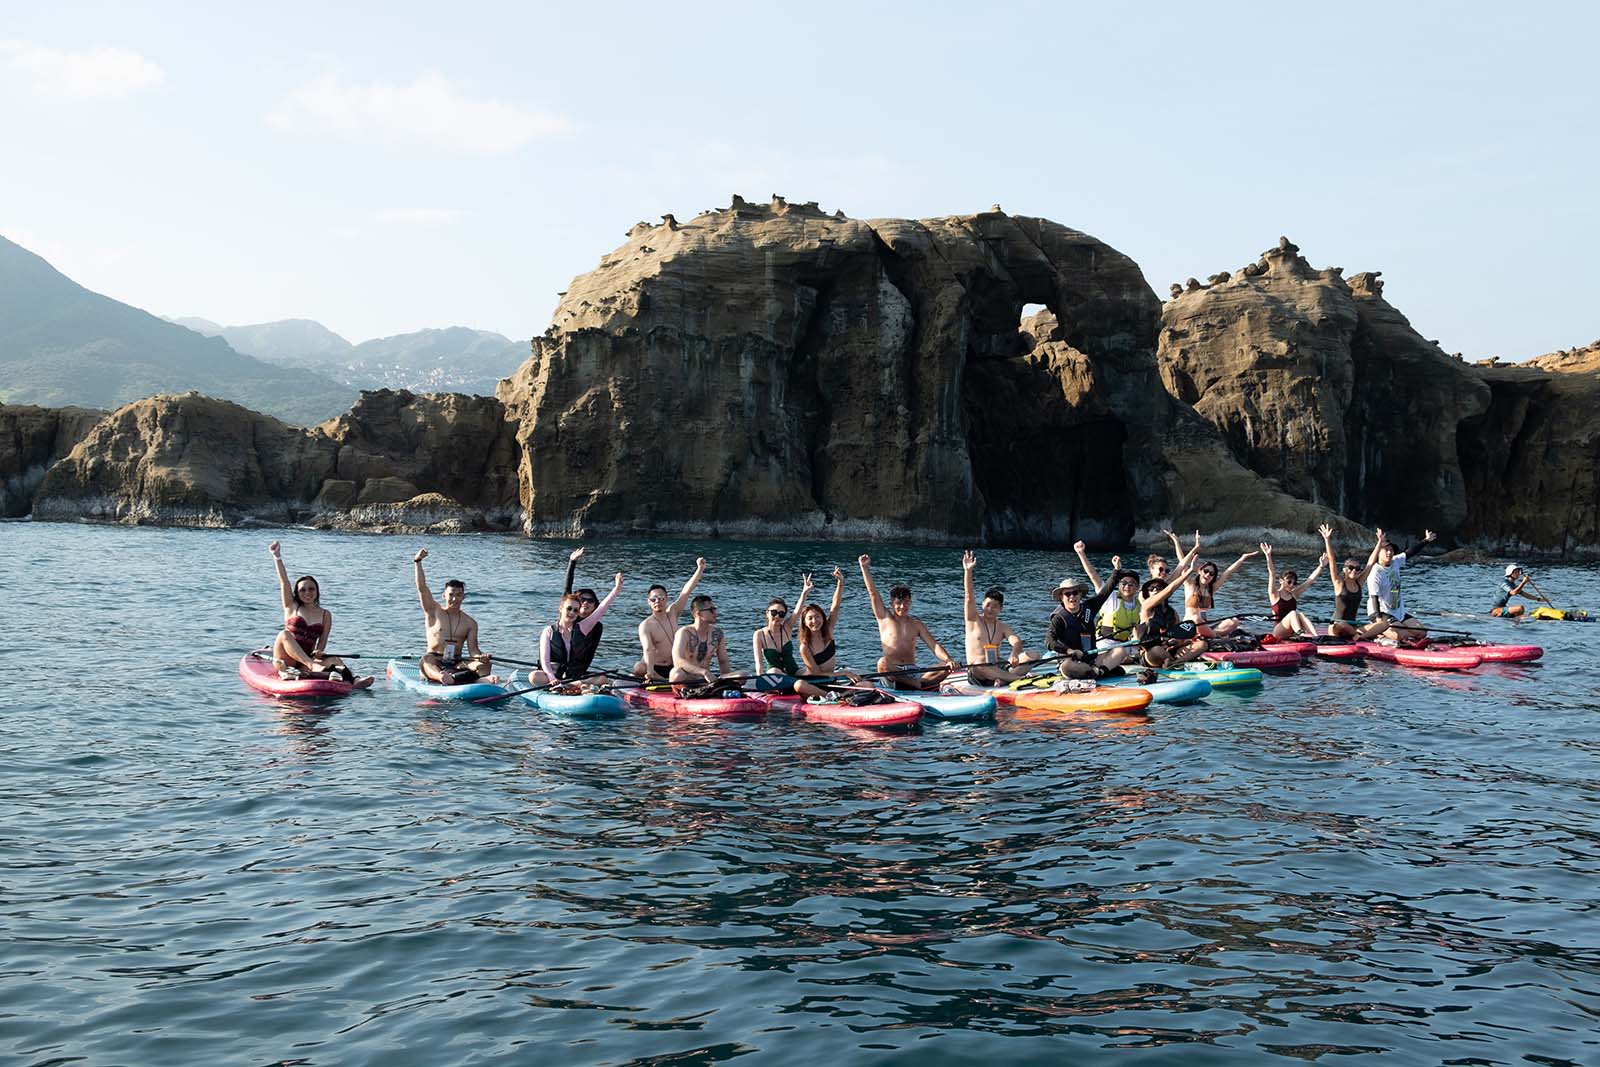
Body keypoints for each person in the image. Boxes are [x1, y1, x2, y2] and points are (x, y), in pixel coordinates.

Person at [266, 541, 373, 687]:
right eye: (303, 590)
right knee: (284, 634)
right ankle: (304, 669)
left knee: (336, 660)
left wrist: (319, 651)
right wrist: (277, 557)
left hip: (307, 660)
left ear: (317, 592)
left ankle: (353, 680)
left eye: (311, 589)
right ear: (297, 592)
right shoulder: (292, 606)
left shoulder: (325, 614)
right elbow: (284, 582)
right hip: (286, 658)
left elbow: (322, 641)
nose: (307, 593)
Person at [859, 554, 958, 690]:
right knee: (882, 662)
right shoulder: (884, 617)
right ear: (892, 604)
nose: (902, 606)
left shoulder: (916, 624)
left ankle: (916, 683)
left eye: (906, 602)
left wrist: (949, 659)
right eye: (898, 603)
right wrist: (864, 568)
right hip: (893, 672)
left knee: (945, 667)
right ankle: (917, 685)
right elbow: (873, 593)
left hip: (913, 672)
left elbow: (934, 645)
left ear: (910, 603)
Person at [1045, 544, 1132, 677]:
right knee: (1068, 666)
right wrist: (1068, 651)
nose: (1072, 597)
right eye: (1067, 594)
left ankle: (1098, 671)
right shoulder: (1059, 618)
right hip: (1071, 661)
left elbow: (1105, 592)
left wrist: (1117, 570)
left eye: (1075, 593)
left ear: (1080, 595)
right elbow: (1049, 641)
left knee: (1120, 650)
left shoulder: (1089, 607)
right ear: (1062, 598)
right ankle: (1100, 672)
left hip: (1091, 660)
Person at [413, 548, 498, 684]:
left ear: (463, 597)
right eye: (451, 595)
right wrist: (417, 562)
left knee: (485, 665)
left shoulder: (470, 623)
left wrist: (480, 657)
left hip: (456, 662)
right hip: (435, 659)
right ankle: (441, 677)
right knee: (426, 660)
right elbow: (422, 588)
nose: (454, 599)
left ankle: (479, 680)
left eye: (458, 595)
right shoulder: (433, 611)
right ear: (444, 595)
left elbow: (473, 651)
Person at [532, 572, 625, 688]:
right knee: (534, 676)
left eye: (575, 610)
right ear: (561, 608)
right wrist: (552, 678)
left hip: (574, 676)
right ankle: (571, 686)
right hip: (554, 675)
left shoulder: (582, 628)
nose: (571, 613)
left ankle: (570, 685)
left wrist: (616, 590)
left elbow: (601, 609)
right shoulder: (548, 631)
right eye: (569, 609)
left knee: (602, 678)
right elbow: (545, 661)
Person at [961, 550, 1037, 686]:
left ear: (1000, 609)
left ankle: (1003, 679)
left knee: (1033, 655)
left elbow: (1017, 642)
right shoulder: (973, 619)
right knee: (978, 663)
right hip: (978, 672)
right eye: (988, 605)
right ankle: (1015, 679)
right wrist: (968, 572)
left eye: (995, 606)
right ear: (982, 604)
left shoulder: (1002, 626)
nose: (990, 609)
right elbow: (968, 596)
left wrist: (1014, 654)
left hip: (998, 666)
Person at [749, 575, 827, 697]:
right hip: (775, 674)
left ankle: (818, 688)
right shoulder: (759, 634)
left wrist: (804, 592)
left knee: (811, 672)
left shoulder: (786, 628)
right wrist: (761, 683)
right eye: (774, 613)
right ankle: (798, 686)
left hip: (794, 672)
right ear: (767, 613)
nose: (777, 616)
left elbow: (797, 611)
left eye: (781, 614)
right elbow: (759, 664)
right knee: (774, 671)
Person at [633, 558, 707, 682]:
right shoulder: (646, 625)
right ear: (649, 602)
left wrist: (700, 569)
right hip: (656, 667)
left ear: (666, 598)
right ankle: (653, 678)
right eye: (654, 599)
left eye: (661, 598)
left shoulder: (673, 612)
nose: (657, 601)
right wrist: (650, 672)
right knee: (639, 667)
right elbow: (648, 649)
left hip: (675, 665)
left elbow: (686, 592)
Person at [1366, 529, 1438, 643]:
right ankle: (1377, 632)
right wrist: (1378, 621)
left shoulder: (1395, 562)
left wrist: (1426, 540)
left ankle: (1395, 633)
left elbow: (1410, 552)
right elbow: (1374, 597)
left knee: (1422, 632)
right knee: (1404, 636)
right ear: (1378, 552)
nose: (1389, 553)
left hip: (1398, 611)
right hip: (1380, 612)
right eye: (1385, 550)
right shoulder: (1375, 572)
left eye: (1391, 550)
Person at [1135, 561, 1208, 668]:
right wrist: (1189, 571)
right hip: (1151, 653)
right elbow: (1170, 589)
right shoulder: (1146, 607)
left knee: (1202, 644)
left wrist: (1175, 642)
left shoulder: (1172, 613)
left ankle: (1174, 663)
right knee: (1156, 650)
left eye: (1159, 588)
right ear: (1148, 594)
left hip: (1169, 651)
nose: (1155, 590)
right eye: (1151, 589)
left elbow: (1179, 637)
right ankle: (1176, 662)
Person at [1320, 524, 1386, 639]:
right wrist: (1327, 540)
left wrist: (1379, 542)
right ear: (1345, 569)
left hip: (1353, 627)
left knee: (1384, 624)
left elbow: (1370, 563)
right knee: (1342, 624)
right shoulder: (1339, 583)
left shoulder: (1359, 583)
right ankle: (1361, 636)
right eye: (1350, 568)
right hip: (1337, 627)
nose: (1354, 571)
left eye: (1357, 568)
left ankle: (1359, 636)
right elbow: (1332, 560)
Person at [1183, 548, 1259, 637]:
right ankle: (1215, 637)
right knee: (1196, 618)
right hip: (1190, 626)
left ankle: (1211, 634)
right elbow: (1182, 563)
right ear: (1200, 571)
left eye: (1211, 574)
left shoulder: (1210, 589)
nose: (1208, 575)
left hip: (1205, 626)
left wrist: (1242, 558)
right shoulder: (1190, 585)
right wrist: (1178, 542)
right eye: (1206, 571)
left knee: (1234, 621)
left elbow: (1228, 573)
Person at [1261, 542, 1325, 638]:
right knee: (1293, 613)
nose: (1292, 585)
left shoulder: (1294, 594)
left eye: (1294, 583)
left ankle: (1316, 637)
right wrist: (1268, 556)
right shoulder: (1274, 594)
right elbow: (1272, 573)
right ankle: (1301, 634)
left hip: (1291, 631)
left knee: (1301, 614)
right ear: (1281, 581)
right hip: (1279, 631)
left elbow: (1309, 581)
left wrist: (1321, 566)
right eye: (1289, 582)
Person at [561, 547, 607, 676]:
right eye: (582, 599)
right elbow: (567, 589)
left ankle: (578, 681)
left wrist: (581, 672)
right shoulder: (569, 617)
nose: (585, 602)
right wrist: (572, 562)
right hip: (559, 667)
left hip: (578, 671)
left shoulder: (597, 626)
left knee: (601, 679)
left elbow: (591, 651)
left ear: (595, 606)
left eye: (590, 601)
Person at [670, 594, 734, 684]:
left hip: (707, 679)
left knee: (742, 675)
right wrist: (703, 672)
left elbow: (723, 661)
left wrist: (728, 682)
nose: (715, 613)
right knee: (676, 674)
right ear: (698, 613)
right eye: (711, 610)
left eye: (715, 609)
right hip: (688, 678)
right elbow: (678, 661)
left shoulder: (718, 633)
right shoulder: (684, 633)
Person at [798, 566, 847, 677]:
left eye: (817, 616)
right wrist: (843, 673)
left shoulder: (828, 630)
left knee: (868, 685)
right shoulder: (805, 647)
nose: (814, 621)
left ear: (823, 618)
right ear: (804, 622)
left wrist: (840, 582)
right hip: (815, 681)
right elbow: (817, 674)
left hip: (831, 678)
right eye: (810, 618)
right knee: (800, 685)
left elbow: (835, 606)